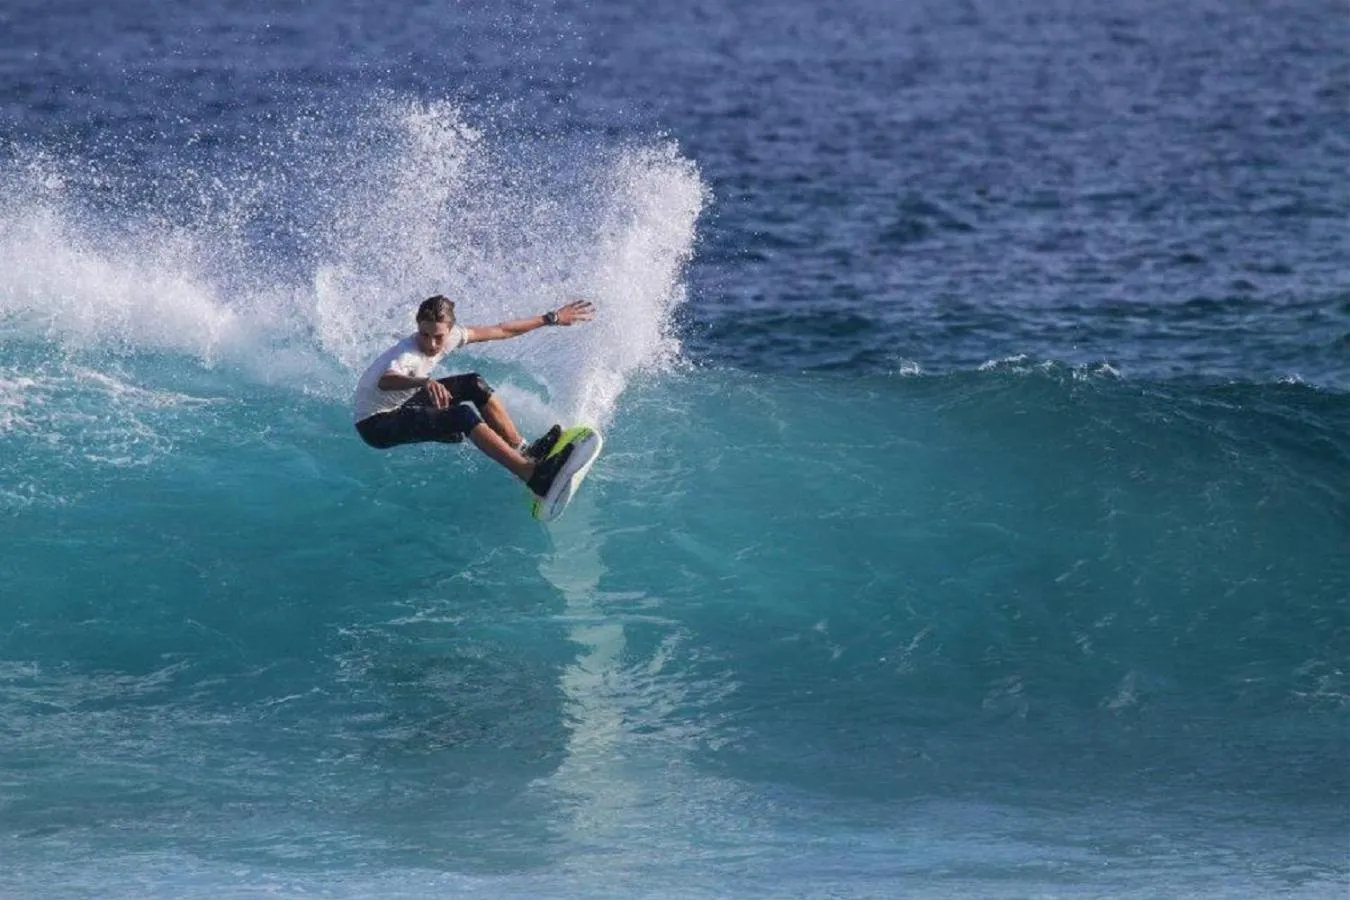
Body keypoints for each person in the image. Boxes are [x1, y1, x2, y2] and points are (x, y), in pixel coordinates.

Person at [352, 294, 595, 497]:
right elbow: (387, 380)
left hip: (402, 403)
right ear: (418, 327)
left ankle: (523, 450)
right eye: (425, 334)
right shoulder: (408, 354)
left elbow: (502, 330)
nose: (432, 344)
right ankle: (531, 475)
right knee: (461, 415)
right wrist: (424, 381)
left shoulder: (451, 336)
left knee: (473, 384)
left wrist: (550, 318)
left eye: (439, 336)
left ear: (450, 330)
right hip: (376, 425)